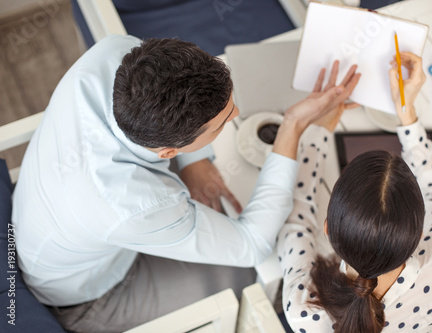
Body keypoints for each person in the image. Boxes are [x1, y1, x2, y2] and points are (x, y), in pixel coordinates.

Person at [12, 34, 360, 332]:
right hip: (88, 297)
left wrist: (195, 159)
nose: (236, 115)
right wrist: (293, 126)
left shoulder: (119, 55)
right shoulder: (131, 204)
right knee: (256, 274)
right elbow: (251, 243)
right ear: (167, 151)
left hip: (61, 224)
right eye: (221, 123)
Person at [277, 52, 432, 332]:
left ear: (328, 229)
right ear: (417, 233)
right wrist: (407, 110)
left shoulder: (305, 306)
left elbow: (294, 218)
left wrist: (320, 129)